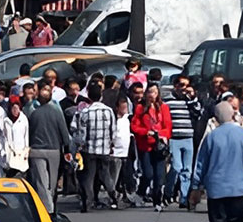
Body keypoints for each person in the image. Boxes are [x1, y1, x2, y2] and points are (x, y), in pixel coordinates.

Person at [27, 81, 74, 213]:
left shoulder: (33, 113)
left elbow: (29, 132)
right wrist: (67, 149)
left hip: (37, 150)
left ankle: (47, 209)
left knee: (41, 182)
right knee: (52, 183)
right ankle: (51, 206)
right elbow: (64, 133)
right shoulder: (57, 112)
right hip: (54, 150)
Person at [72, 84, 120, 212]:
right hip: (104, 148)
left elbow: (81, 132)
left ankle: (88, 201)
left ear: (88, 96)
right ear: (101, 96)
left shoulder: (86, 112)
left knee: (89, 175)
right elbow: (113, 130)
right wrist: (111, 143)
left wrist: (79, 146)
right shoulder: (108, 111)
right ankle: (113, 196)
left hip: (89, 149)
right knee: (105, 173)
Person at [130, 83, 172, 211]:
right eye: (149, 92)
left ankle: (157, 201)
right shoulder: (140, 108)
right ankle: (141, 193)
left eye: (154, 92)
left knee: (159, 176)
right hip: (145, 145)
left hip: (159, 145)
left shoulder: (163, 107)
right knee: (148, 174)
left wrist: (161, 134)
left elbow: (168, 126)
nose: (151, 95)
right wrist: (145, 132)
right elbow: (134, 127)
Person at [163, 77, 202, 208]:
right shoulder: (167, 101)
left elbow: (198, 113)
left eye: (186, 85)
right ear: (175, 86)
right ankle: (168, 191)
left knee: (187, 170)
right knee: (176, 167)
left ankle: (184, 198)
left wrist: (192, 99)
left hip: (188, 137)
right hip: (174, 138)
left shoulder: (190, 100)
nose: (184, 88)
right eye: (181, 85)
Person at [2, 97, 30, 177]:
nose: (15, 110)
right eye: (13, 108)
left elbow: (26, 137)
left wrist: (26, 152)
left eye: (17, 108)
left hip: (20, 153)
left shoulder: (23, 119)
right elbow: (4, 137)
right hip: (9, 153)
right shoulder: (6, 120)